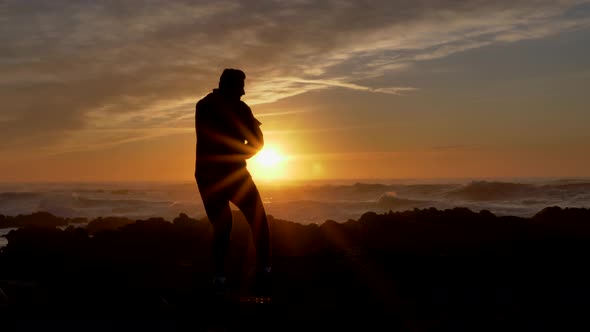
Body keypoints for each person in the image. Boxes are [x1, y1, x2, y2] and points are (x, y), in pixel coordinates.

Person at [195, 69, 271, 294]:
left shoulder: (236, 107)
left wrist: (239, 155)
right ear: (228, 85)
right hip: (214, 175)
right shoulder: (207, 106)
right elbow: (251, 142)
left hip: (229, 172)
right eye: (240, 87)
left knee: (247, 221)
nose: (244, 92)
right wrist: (241, 151)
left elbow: (257, 142)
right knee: (227, 223)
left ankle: (260, 270)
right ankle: (225, 276)